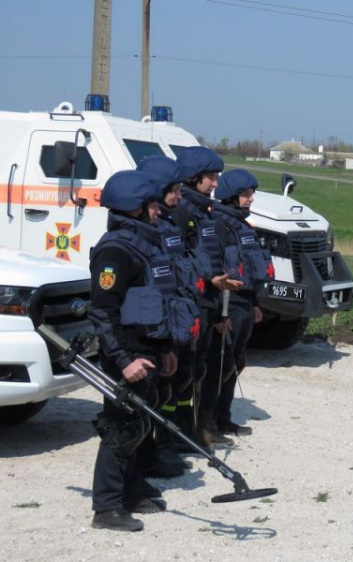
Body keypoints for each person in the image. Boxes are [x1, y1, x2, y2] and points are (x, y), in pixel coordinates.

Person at [88, 170, 186, 531]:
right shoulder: (114, 251)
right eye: (150, 205)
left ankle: (131, 492)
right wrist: (124, 361)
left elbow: (157, 302)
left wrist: (167, 350)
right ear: (134, 209)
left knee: (140, 424)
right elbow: (102, 312)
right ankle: (107, 507)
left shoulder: (145, 245)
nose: (157, 211)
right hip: (125, 356)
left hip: (149, 351)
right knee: (120, 429)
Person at [136, 155, 204, 475]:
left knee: (173, 383)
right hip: (155, 322)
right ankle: (153, 449)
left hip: (175, 315)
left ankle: (163, 442)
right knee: (155, 390)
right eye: (174, 190)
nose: (179, 196)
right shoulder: (146, 230)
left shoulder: (168, 224)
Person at [172, 146, 243, 448]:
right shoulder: (183, 212)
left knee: (200, 368)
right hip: (193, 302)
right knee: (185, 372)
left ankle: (197, 429)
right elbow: (179, 261)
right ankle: (175, 435)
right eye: (211, 178)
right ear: (194, 178)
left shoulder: (203, 213)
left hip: (211, 301)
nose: (215, 184)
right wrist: (205, 280)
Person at [208, 169, 273, 436]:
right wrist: (217, 314)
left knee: (235, 362)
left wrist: (255, 302)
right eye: (246, 195)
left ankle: (224, 418)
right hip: (227, 303)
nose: (251, 199)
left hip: (244, 302)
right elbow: (214, 270)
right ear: (231, 197)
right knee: (219, 365)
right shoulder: (218, 226)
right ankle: (209, 423)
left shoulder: (243, 226)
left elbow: (249, 266)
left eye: (251, 194)